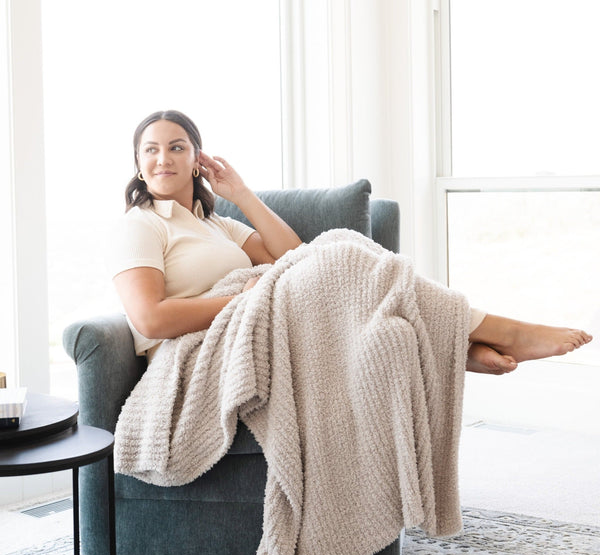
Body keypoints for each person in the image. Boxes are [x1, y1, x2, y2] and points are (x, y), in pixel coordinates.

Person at [111, 110, 592, 372]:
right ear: (138, 163)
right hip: (205, 344)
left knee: (336, 256)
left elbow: (293, 255)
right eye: (150, 150)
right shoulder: (143, 224)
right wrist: (242, 300)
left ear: (197, 159)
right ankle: (487, 334)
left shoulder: (215, 223)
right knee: (341, 253)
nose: (163, 158)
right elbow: (150, 319)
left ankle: (456, 343)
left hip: (257, 317)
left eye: (177, 146)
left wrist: (240, 194)